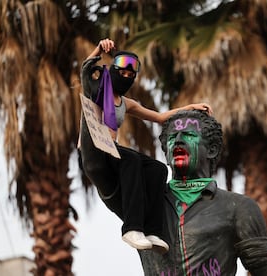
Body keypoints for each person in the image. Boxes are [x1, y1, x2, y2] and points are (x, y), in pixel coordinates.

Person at [78, 38, 212, 255]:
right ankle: (131, 229)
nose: (127, 77)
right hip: (93, 150)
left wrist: (191, 107)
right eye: (123, 73)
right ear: (114, 71)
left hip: (111, 151)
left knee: (158, 169)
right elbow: (86, 67)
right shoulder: (97, 90)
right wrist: (100, 48)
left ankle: (152, 231)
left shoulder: (125, 103)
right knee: (131, 160)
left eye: (131, 75)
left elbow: (160, 117)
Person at [139, 110, 267, 275]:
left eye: (189, 135)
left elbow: (266, 272)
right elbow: (101, 167)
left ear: (211, 150)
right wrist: (112, 101)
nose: (178, 141)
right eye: (172, 137)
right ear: (167, 155)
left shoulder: (239, 208)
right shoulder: (143, 203)